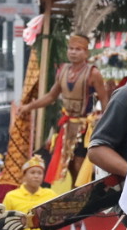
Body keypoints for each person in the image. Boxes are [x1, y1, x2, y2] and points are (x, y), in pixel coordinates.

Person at [11, 33, 111, 188]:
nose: (73, 52)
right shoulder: (63, 71)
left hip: (85, 128)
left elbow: (104, 99)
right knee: (66, 166)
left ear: (86, 52)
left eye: (78, 49)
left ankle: (83, 196)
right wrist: (28, 107)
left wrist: (107, 124)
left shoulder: (93, 73)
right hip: (66, 126)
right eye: (71, 48)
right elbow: (51, 96)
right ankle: (72, 197)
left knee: (80, 164)